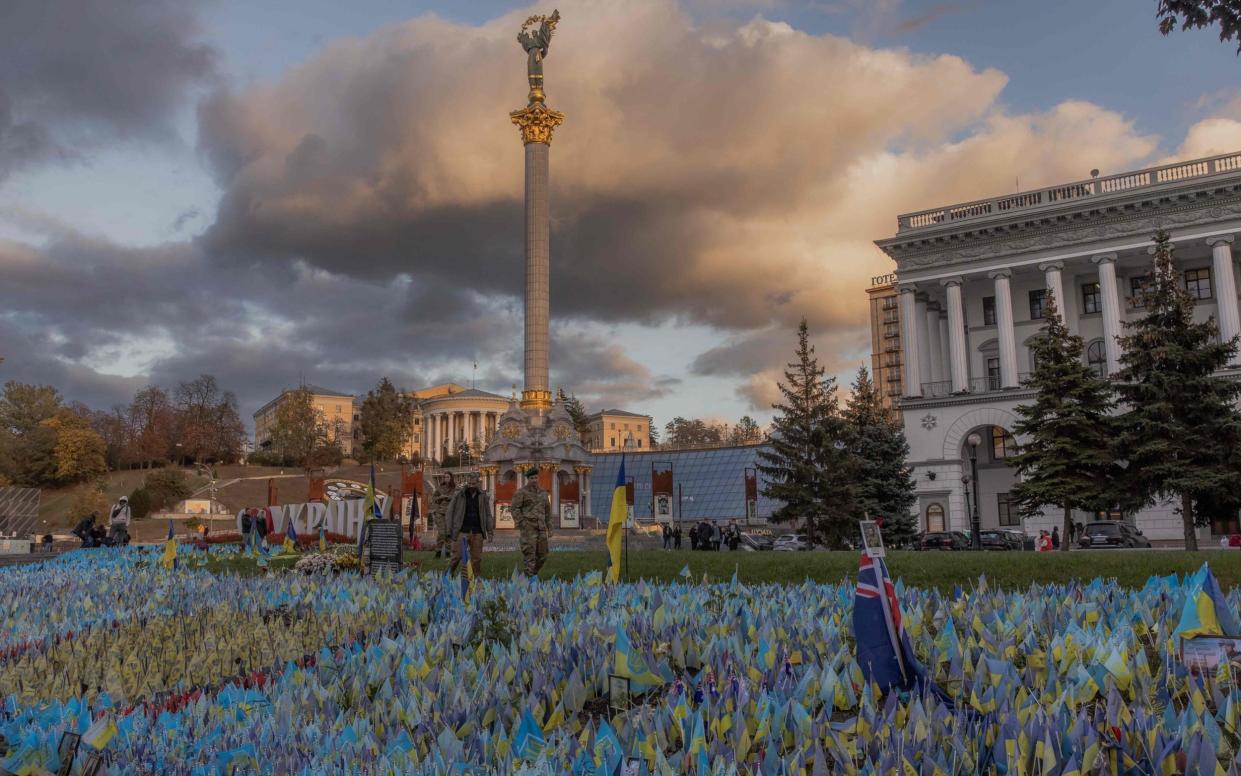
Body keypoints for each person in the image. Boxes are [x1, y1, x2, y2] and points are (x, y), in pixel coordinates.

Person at [447, 472, 494, 579]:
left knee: (476, 559)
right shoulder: (459, 494)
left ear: (478, 483)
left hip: (477, 531)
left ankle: (475, 579)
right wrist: (449, 531)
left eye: (474, 484)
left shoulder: (483, 496)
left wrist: (490, 532)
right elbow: (450, 512)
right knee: (456, 556)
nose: (471, 486)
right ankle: (448, 575)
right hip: (461, 530)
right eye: (469, 483)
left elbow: (488, 514)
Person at [510, 467, 552, 577]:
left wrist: (550, 527)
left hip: (541, 527)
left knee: (543, 555)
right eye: (532, 478)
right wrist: (521, 523)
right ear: (528, 479)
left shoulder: (543, 493)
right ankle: (529, 580)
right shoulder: (521, 492)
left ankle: (530, 574)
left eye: (536, 478)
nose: (534, 480)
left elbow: (547, 511)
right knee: (530, 555)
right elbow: (514, 508)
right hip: (528, 527)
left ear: (538, 478)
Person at [431, 474, 457, 559]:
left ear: (451, 478)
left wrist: (450, 497)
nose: (446, 478)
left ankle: (447, 553)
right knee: (442, 533)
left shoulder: (454, 488)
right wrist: (440, 497)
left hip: (450, 513)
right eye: (445, 477)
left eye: (448, 477)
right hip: (440, 513)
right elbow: (434, 498)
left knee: (448, 533)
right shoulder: (440, 488)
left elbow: (457, 498)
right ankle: (438, 552)